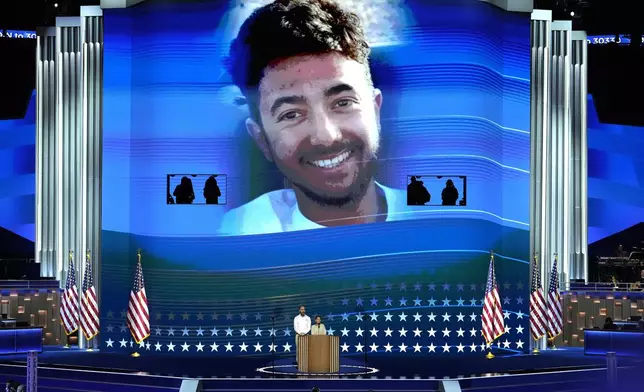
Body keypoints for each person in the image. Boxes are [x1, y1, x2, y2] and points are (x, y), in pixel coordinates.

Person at [220, 0, 411, 235]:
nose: (326, 137)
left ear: (375, 109)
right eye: (291, 114)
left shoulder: (439, 222)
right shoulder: (234, 235)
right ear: (261, 140)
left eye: (343, 103)